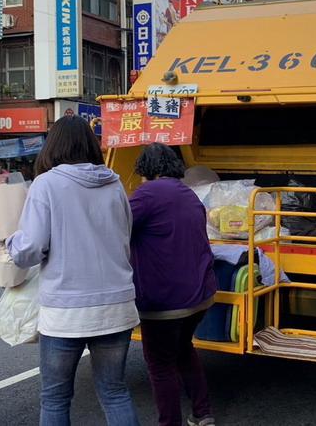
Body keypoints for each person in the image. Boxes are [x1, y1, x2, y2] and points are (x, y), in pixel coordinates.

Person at [7, 116, 140, 426]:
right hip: (117, 304)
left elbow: (30, 249)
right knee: (115, 391)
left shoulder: (47, 183)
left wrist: (11, 242)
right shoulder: (115, 182)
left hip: (67, 310)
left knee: (55, 397)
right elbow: (126, 233)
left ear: (53, 146)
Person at [130, 144, 217, 426]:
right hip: (200, 294)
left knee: (160, 364)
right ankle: (202, 413)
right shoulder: (188, 194)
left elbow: (116, 227)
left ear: (148, 170)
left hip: (165, 300)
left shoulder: (147, 194)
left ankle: (170, 423)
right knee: (182, 350)